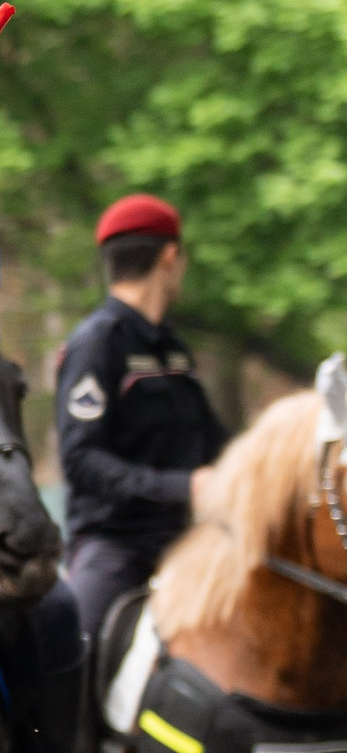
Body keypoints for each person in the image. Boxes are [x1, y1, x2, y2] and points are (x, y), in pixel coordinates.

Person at [56, 194, 227, 650]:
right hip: (117, 547)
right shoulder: (96, 344)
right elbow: (80, 459)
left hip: (192, 541)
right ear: (170, 257)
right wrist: (183, 488)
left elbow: (214, 440)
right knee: (76, 648)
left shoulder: (174, 349)